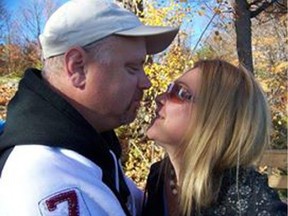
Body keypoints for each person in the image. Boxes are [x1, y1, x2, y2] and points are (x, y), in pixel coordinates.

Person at [0, 0, 178, 215]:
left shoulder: (88, 147)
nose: (146, 82)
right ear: (77, 67)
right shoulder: (45, 179)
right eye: (132, 68)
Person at [142, 59, 287, 216]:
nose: (160, 98)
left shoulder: (252, 199)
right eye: (169, 88)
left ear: (216, 118)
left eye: (179, 92)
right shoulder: (159, 178)